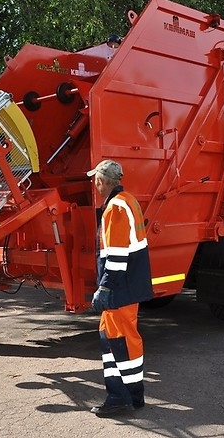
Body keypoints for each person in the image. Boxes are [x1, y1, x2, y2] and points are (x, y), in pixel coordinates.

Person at [87, 159, 153, 417]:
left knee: (118, 341)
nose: (94, 184)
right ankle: (133, 395)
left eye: (96, 180)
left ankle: (120, 397)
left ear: (102, 181)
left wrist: (105, 288)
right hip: (129, 285)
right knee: (114, 335)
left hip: (120, 287)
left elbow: (116, 256)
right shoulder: (129, 200)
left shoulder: (114, 208)